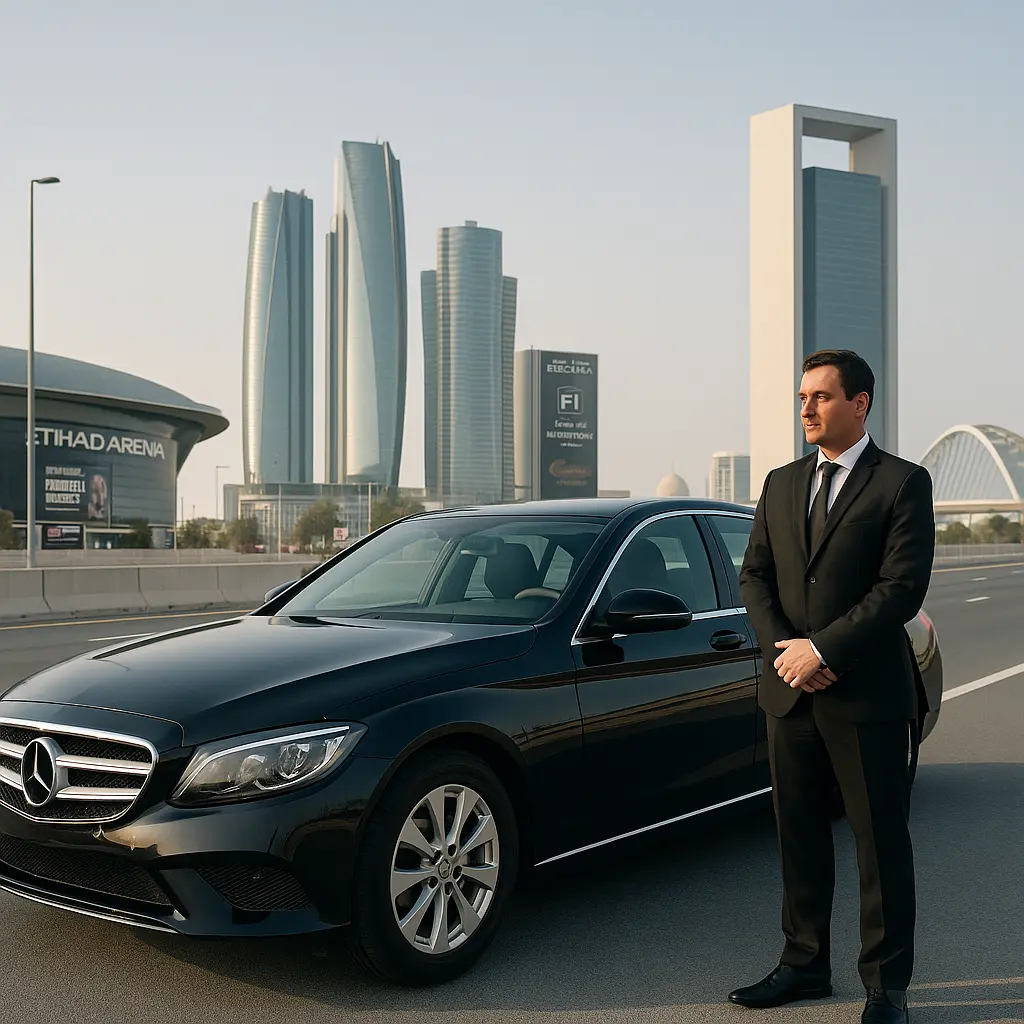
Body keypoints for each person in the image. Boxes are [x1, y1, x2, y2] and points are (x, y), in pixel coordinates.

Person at [734, 349, 935, 1024]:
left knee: (880, 843)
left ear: (860, 403)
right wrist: (787, 654)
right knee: (799, 838)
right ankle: (803, 964)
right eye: (801, 398)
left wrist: (824, 648)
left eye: (820, 397)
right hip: (789, 695)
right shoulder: (780, 483)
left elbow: (900, 590)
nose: (807, 409)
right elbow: (755, 577)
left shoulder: (902, 484)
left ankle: (886, 988)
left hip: (867, 698)